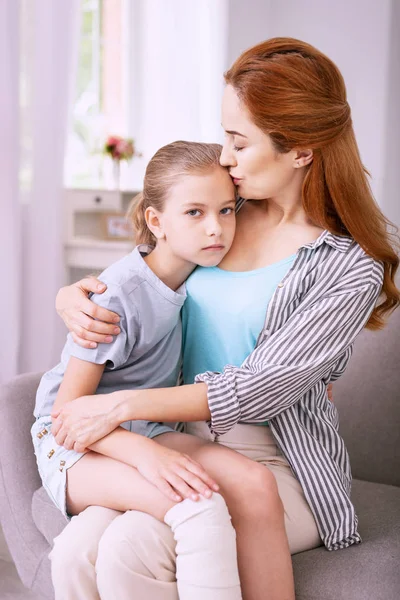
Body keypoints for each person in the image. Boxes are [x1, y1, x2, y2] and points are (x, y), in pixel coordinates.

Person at [52, 37, 399, 600]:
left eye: (239, 141)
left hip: (278, 463)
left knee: (129, 549)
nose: (227, 157)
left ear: (302, 151)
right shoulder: (221, 215)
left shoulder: (346, 268)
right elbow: (140, 277)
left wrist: (121, 405)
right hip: (169, 439)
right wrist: (73, 298)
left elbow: (261, 388)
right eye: (225, 137)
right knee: (76, 550)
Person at [32, 140, 252, 600]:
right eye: (194, 212)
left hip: (141, 428)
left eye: (227, 211)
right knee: (199, 505)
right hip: (71, 443)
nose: (216, 228)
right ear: (156, 221)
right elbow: (66, 416)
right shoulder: (116, 298)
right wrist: (145, 455)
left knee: (81, 548)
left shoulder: (200, 270)